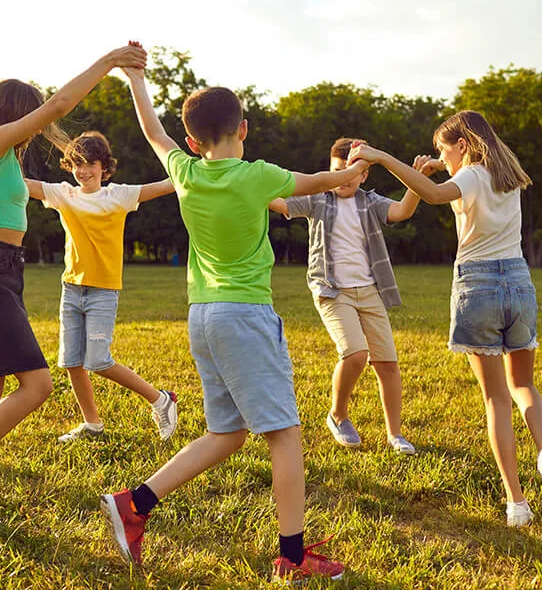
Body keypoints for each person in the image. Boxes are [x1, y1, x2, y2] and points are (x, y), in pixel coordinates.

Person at [101, 48, 371, 583]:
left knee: (228, 433)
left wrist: (135, 80)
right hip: (245, 316)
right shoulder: (259, 175)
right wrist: (365, 162)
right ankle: (292, 559)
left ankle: (134, 503)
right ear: (243, 128)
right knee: (286, 434)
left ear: (194, 141)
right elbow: (331, 182)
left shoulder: (184, 170)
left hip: (203, 316)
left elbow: (155, 132)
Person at [0, 44, 147, 529]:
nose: (38, 127)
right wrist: (109, 63)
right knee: (38, 385)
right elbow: (60, 107)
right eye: (32, 116)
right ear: (13, 114)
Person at [348, 111, 542, 527]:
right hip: (519, 282)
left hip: (479, 285)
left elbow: (435, 196)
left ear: (464, 146)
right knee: (523, 384)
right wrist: (436, 165)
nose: (440, 156)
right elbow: (451, 180)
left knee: (495, 400)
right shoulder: (508, 174)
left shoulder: (469, 175)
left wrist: (380, 157)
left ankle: (517, 504)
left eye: (444, 149)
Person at [270, 137, 429, 456]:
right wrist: (253, 183)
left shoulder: (370, 202)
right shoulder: (318, 198)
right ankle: (338, 414)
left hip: (370, 291)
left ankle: (395, 434)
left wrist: (417, 180)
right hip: (332, 289)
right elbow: (281, 202)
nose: (343, 178)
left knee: (387, 363)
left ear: (364, 175)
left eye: (351, 172)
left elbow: (401, 212)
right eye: (337, 171)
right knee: (355, 353)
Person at [25, 130, 178, 443]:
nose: (84, 170)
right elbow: (22, 184)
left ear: (104, 168)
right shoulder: (63, 194)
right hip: (71, 288)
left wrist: (197, 163)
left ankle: (161, 399)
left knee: (98, 361)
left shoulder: (119, 195)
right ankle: (92, 424)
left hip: (103, 291)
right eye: (78, 163)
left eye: (91, 164)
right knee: (72, 362)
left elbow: (169, 184)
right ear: (70, 165)